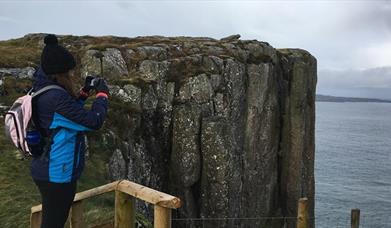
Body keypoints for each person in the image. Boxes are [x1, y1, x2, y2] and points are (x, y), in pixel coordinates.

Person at [30, 34, 109, 228]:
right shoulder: (56, 99)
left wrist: (83, 94)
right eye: (68, 72)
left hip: (44, 167)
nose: (71, 75)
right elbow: (93, 121)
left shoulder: (43, 90)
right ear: (59, 73)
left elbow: (66, 116)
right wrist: (102, 95)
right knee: (53, 223)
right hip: (57, 173)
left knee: (51, 219)